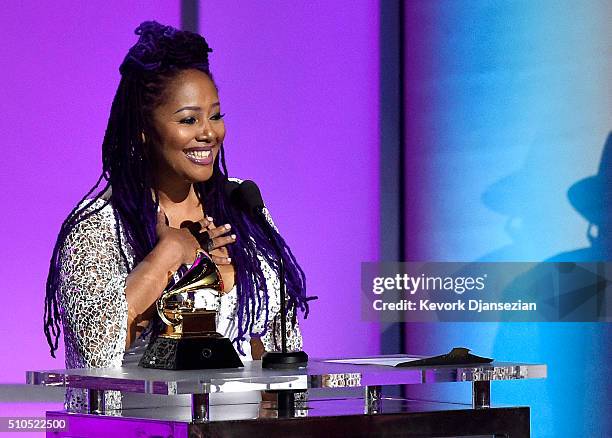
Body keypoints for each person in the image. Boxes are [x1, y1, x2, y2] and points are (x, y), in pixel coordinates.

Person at [43, 21, 311, 411]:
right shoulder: (99, 225)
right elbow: (94, 357)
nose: (209, 133)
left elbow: (283, 347)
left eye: (215, 116)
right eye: (189, 120)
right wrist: (165, 257)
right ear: (143, 132)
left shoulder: (241, 207)